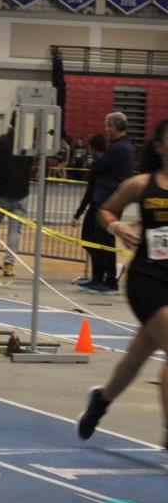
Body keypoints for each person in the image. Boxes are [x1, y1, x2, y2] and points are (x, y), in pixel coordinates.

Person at [77, 117, 168, 451]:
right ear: (159, 146)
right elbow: (106, 211)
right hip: (148, 279)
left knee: (135, 359)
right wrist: (118, 227)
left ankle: (101, 401)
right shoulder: (141, 185)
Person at [79, 113, 136, 294]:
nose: (106, 130)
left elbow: (96, 166)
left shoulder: (119, 148)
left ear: (114, 127)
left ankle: (110, 280)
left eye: (107, 126)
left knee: (104, 240)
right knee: (94, 239)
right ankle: (98, 277)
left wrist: (97, 164)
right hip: (104, 199)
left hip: (108, 201)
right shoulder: (120, 147)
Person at [0, 116, 33, 277]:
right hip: (21, 192)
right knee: (15, 230)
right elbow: (30, 166)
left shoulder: (1, 141)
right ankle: (9, 265)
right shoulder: (29, 145)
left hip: (0, 191)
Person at [73, 134, 109, 292]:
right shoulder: (103, 163)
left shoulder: (99, 165)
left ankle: (100, 275)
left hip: (97, 206)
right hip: (98, 205)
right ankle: (99, 274)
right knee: (90, 241)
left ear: (94, 148)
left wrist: (78, 214)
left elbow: (89, 192)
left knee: (92, 241)